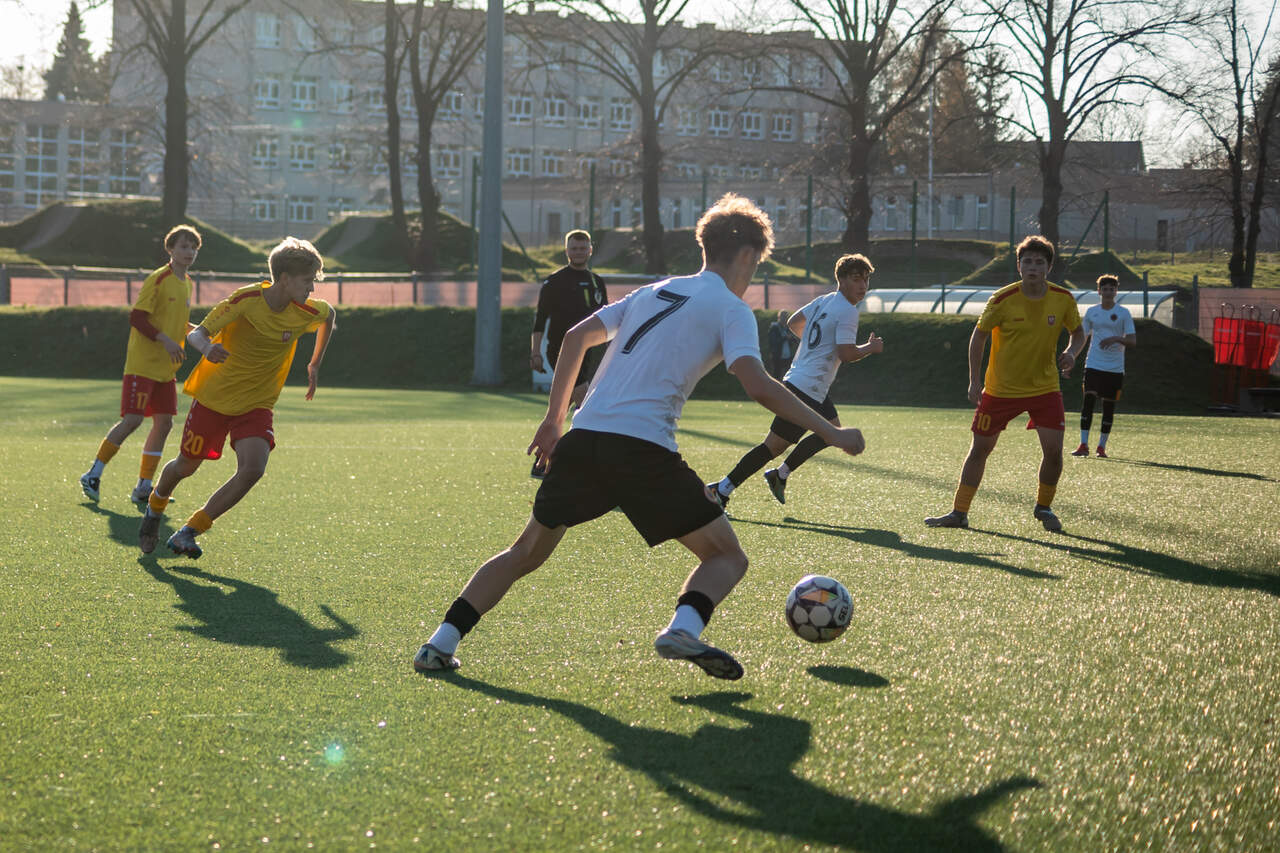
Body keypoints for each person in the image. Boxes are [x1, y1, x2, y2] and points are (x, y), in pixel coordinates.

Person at [414, 194, 866, 680]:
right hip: (642, 450)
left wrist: (553, 420)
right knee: (727, 556)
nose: (753, 275)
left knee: (525, 552)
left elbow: (575, 338)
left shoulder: (653, 291)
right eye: (757, 264)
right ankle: (683, 629)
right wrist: (831, 431)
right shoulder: (732, 309)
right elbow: (758, 385)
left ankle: (440, 643)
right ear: (747, 255)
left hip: (584, 438)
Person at [137, 237, 336, 558]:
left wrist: (314, 364)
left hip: (257, 404)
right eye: (307, 280)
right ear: (285, 279)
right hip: (214, 399)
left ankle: (190, 531)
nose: (312, 288)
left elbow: (330, 316)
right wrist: (207, 349)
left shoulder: (307, 310)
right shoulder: (247, 299)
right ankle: (155, 506)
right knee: (186, 466)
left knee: (253, 468)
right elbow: (197, 333)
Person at [924, 235, 1085, 532]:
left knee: (1054, 452)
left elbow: (1078, 332)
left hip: (1045, 389)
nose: (1033, 267)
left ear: (1048, 267)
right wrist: (974, 381)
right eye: (1028, 262)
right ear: (1019, 266)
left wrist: (1071, 353)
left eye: (1039, 262)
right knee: (979, 449)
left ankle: (1044, 507)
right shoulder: (1001, 299)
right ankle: (959, 513)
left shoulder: (1063, 298)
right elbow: (978, 337)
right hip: (1000, 390)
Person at [710, 254, 883, 508]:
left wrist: (816, 347)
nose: (863, 286)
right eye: (857, 279)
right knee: (772, 447)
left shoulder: (824, 300)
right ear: (842, 279)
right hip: (807, 389)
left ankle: (780, 475)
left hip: (808, 385)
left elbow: (794, 322)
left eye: (866, 280)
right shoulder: (848, 310)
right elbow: (846, 354)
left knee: (833, 433)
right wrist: (871, 347)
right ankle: (722, 489)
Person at [80, 225, 201, 506]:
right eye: (184, 246)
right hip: (143, 364)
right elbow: (138, 318)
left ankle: (143, 487)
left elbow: (174, 319)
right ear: (170, 249)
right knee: (133, 420)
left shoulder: (187, 282)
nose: (189, 252)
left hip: (166, 369)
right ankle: (93, 474)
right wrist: (166, 341)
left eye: (194, 248)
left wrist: (196, 331)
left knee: (165, 423)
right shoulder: (159, 279)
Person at [529, 230, 608, 477]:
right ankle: (587, 463)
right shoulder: (555, 282)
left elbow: (607, 320)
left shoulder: (596, 282)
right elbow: (540, 320)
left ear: (590, 250)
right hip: (561, 351)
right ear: (567, 251)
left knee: (563, 408)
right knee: (586, 403)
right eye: (574, 248)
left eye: (583, 248)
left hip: (587, 353)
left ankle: (543, 462)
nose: (578, 252)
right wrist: (535, 352)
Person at [1071, 274, 1136, 459]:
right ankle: (1083, 444)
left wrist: (1116, 338)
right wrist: (1072, 356)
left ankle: (1101, 447)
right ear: (1099, 291)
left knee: (1108, 407)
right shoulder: (1092, 312)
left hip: (1114, 368)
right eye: (1105, 289)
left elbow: (1132, 341)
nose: (1108, 292)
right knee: (1088, 401)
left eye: (1111, 289)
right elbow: (1081, 337)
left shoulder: (1123, 313)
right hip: (1093, 364)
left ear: (1116, 291)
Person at [766, 309, 799, 379]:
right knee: (776, 376)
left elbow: (793, 341)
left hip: (787, 356)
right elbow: (773, 342)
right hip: (777, 356)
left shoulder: (787, 328)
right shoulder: (774, 328)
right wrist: (785, 338)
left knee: (788, 376)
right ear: (779, 317)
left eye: (786, 317)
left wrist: (792, 339)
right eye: (783, 317)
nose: (785, 319)